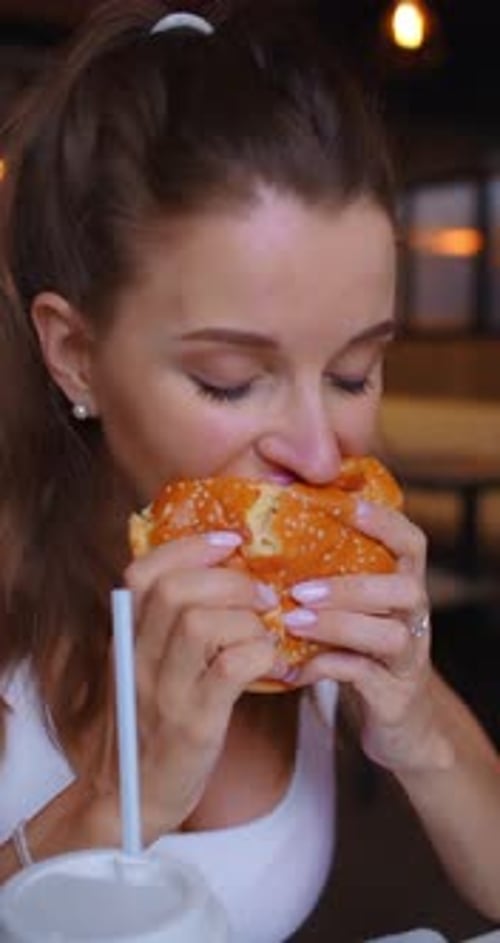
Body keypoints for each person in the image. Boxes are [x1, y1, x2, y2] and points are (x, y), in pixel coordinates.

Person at [0, 1, 498, 939]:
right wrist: (110, 801)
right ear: (74, 355)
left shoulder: (303, 595)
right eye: (230, 381)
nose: (319, 453)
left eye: (353, 372)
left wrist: (419, 725)